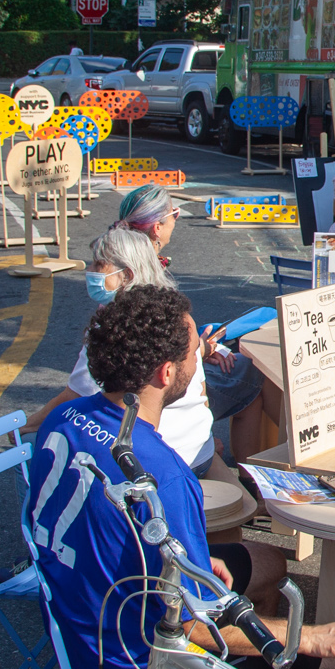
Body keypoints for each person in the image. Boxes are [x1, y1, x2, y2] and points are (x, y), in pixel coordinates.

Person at [30, 285, 335, 669]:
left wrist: (187, 563)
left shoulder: (64, 418)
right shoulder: (163, 474)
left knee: (267, 560)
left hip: (73, 617)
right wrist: (310, 638)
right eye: (195, 352)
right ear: (165, 372)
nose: (201, 360)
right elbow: (193, 625)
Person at [115, 183, 282, 462]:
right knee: (251, 375)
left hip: (153, 373)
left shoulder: (118, 261)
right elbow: (172, 338)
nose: (175, 222)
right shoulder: (147, 275)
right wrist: (205, 349)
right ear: (157, 227)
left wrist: (202, 346)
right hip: (162, 383)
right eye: (174, 215)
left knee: (241, 374)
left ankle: (246, 467)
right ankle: (260, 468)